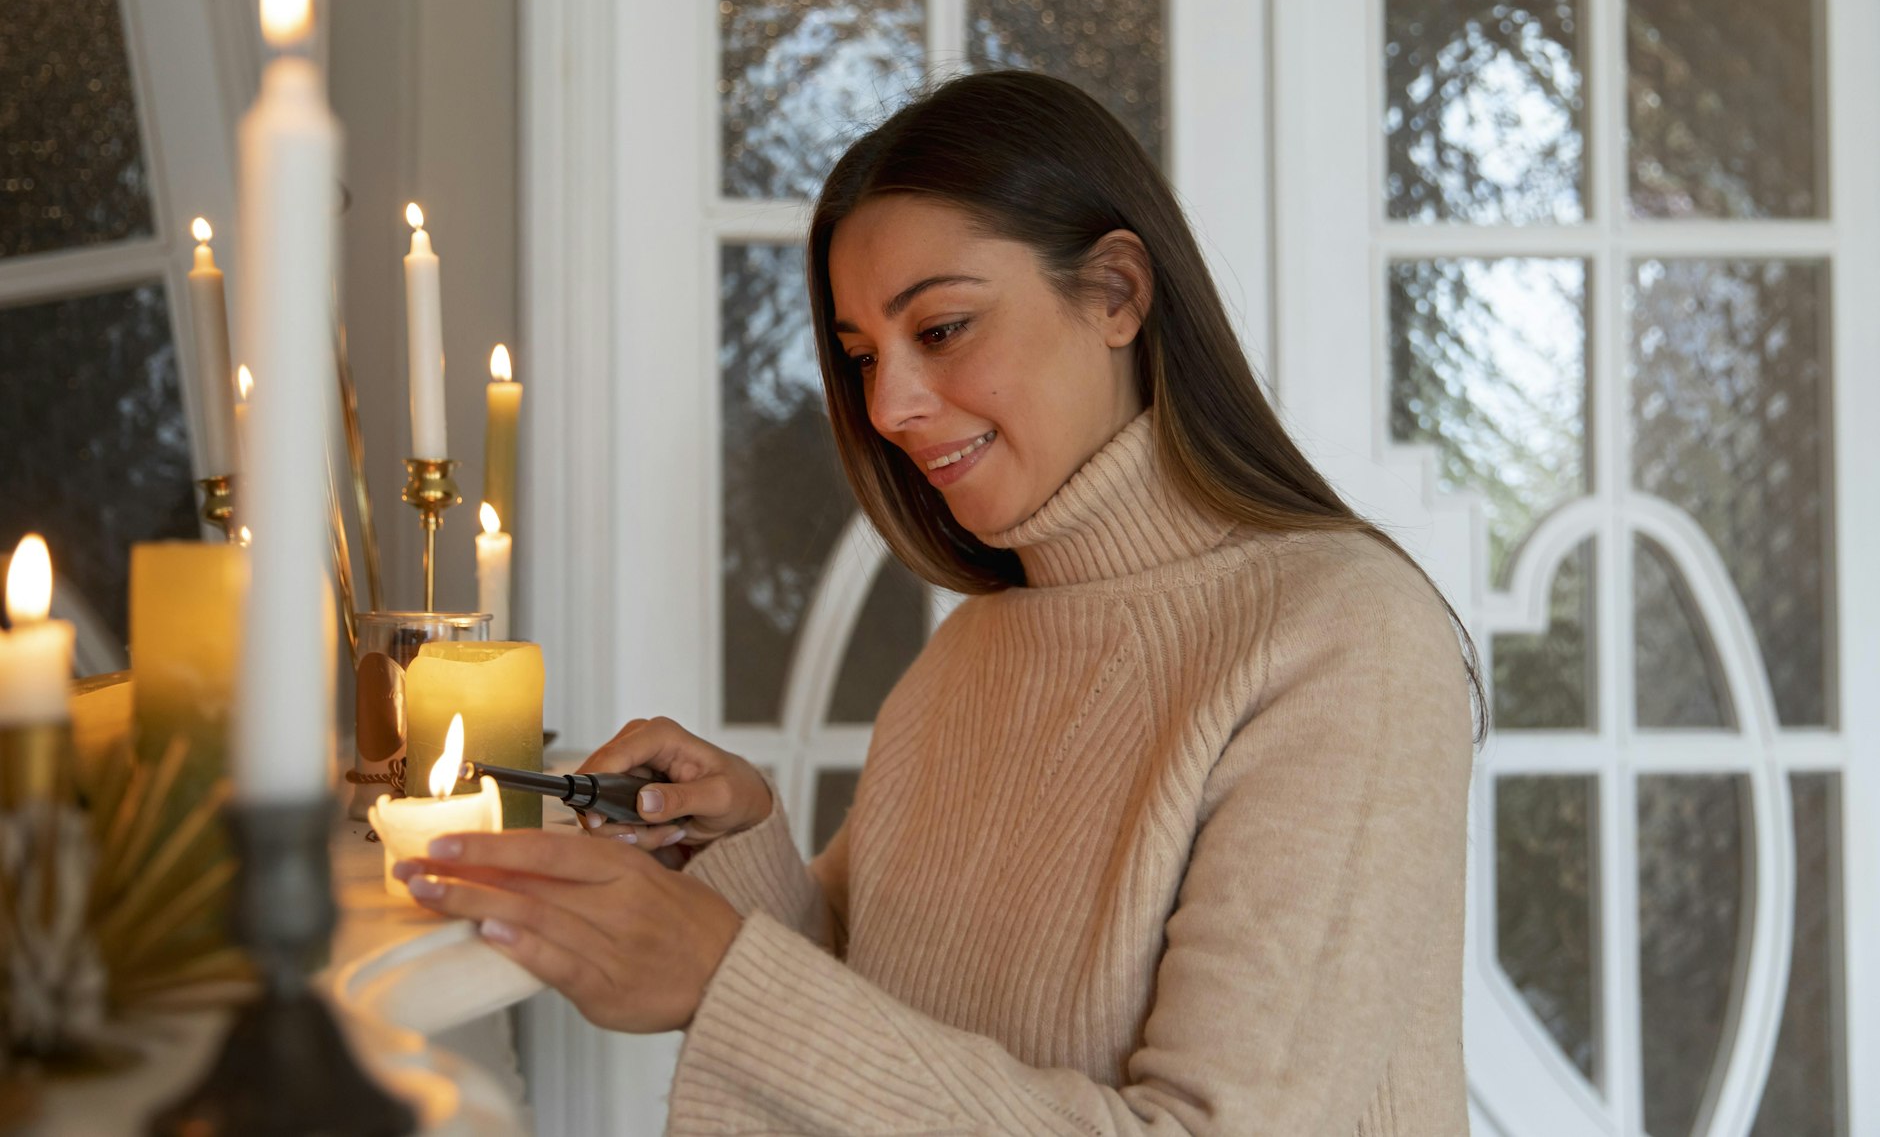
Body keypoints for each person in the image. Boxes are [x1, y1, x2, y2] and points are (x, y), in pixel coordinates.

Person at [394, 70, 1479, 1135]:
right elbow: (888, 1017)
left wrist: (721, 979)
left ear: (1114, 293)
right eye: (861, 354)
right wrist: (733, 843)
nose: (889, 405)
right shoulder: (971, 651)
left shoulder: (1344, 642)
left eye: (943, 328)